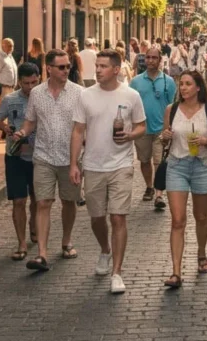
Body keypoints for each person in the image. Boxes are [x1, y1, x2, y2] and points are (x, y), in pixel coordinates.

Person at [70, 49, 146, 294]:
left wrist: (130, 136)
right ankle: (105, 249)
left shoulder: (131, 95)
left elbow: (141, 126)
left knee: (118, 217)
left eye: (103, 66)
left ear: (116, 70)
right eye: (97, 66)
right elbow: (78, 131)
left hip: (121, 165)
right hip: (93, 164)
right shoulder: (85, 96)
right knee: (96, 218)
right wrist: (74, 164)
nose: (98, 70)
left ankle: (117, 272)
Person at [12, 49, 83, 272]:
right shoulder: (37, 94)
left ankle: (66, 240)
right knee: (43, 202)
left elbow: (82, 128)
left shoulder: (79, 93)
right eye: (61, 67)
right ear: (48, 68)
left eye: (68, 66)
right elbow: (30, 122)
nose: (66, 70)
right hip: (42, 156)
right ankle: (42, 254)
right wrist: (21, 133)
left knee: (69, 202)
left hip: (70, 158)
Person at [161, 70, 207, 287]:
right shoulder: (172, 110)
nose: (183, 88)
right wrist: (164, 137)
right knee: (178, 220)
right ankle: (176, 272)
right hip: (177, 166)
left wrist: (205, 141)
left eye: (188, 84)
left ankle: (201, 253)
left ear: (198, 87)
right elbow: (164, 139)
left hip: (202, 166)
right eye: (181, 84)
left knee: (201, 217)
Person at [0, 62, 40, 261]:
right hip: (15, 155)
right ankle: (21, 243)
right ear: (19, 81)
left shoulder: (45, 98)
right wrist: (6, 129)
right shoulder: (10, 99)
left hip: (39, 156)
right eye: (26, 83)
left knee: (37, 199)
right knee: (19, 200)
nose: (30, 87)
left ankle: (34, 225)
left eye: (34, 82)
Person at [129, 47, 176, 209]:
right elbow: (130, 105)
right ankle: (149, 186)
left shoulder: (168, 81)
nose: (150, 60)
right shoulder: (136, 81)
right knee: (144, 160)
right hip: (142, 128)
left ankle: (158, 194)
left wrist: (171, 127)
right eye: (147, 57)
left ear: (159, 60)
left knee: (159, 161)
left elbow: (174, 105)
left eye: (153, 58)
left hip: (161, 129)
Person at [0, 38, 18, 124]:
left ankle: (5, 132)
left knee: (11, 110)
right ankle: (1, 133)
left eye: (12, 46)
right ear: (3, 45)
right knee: (2, 111)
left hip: (11, 88)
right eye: (9, 46)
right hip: (3, 88)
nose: (12, 48)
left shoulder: (10, 56)